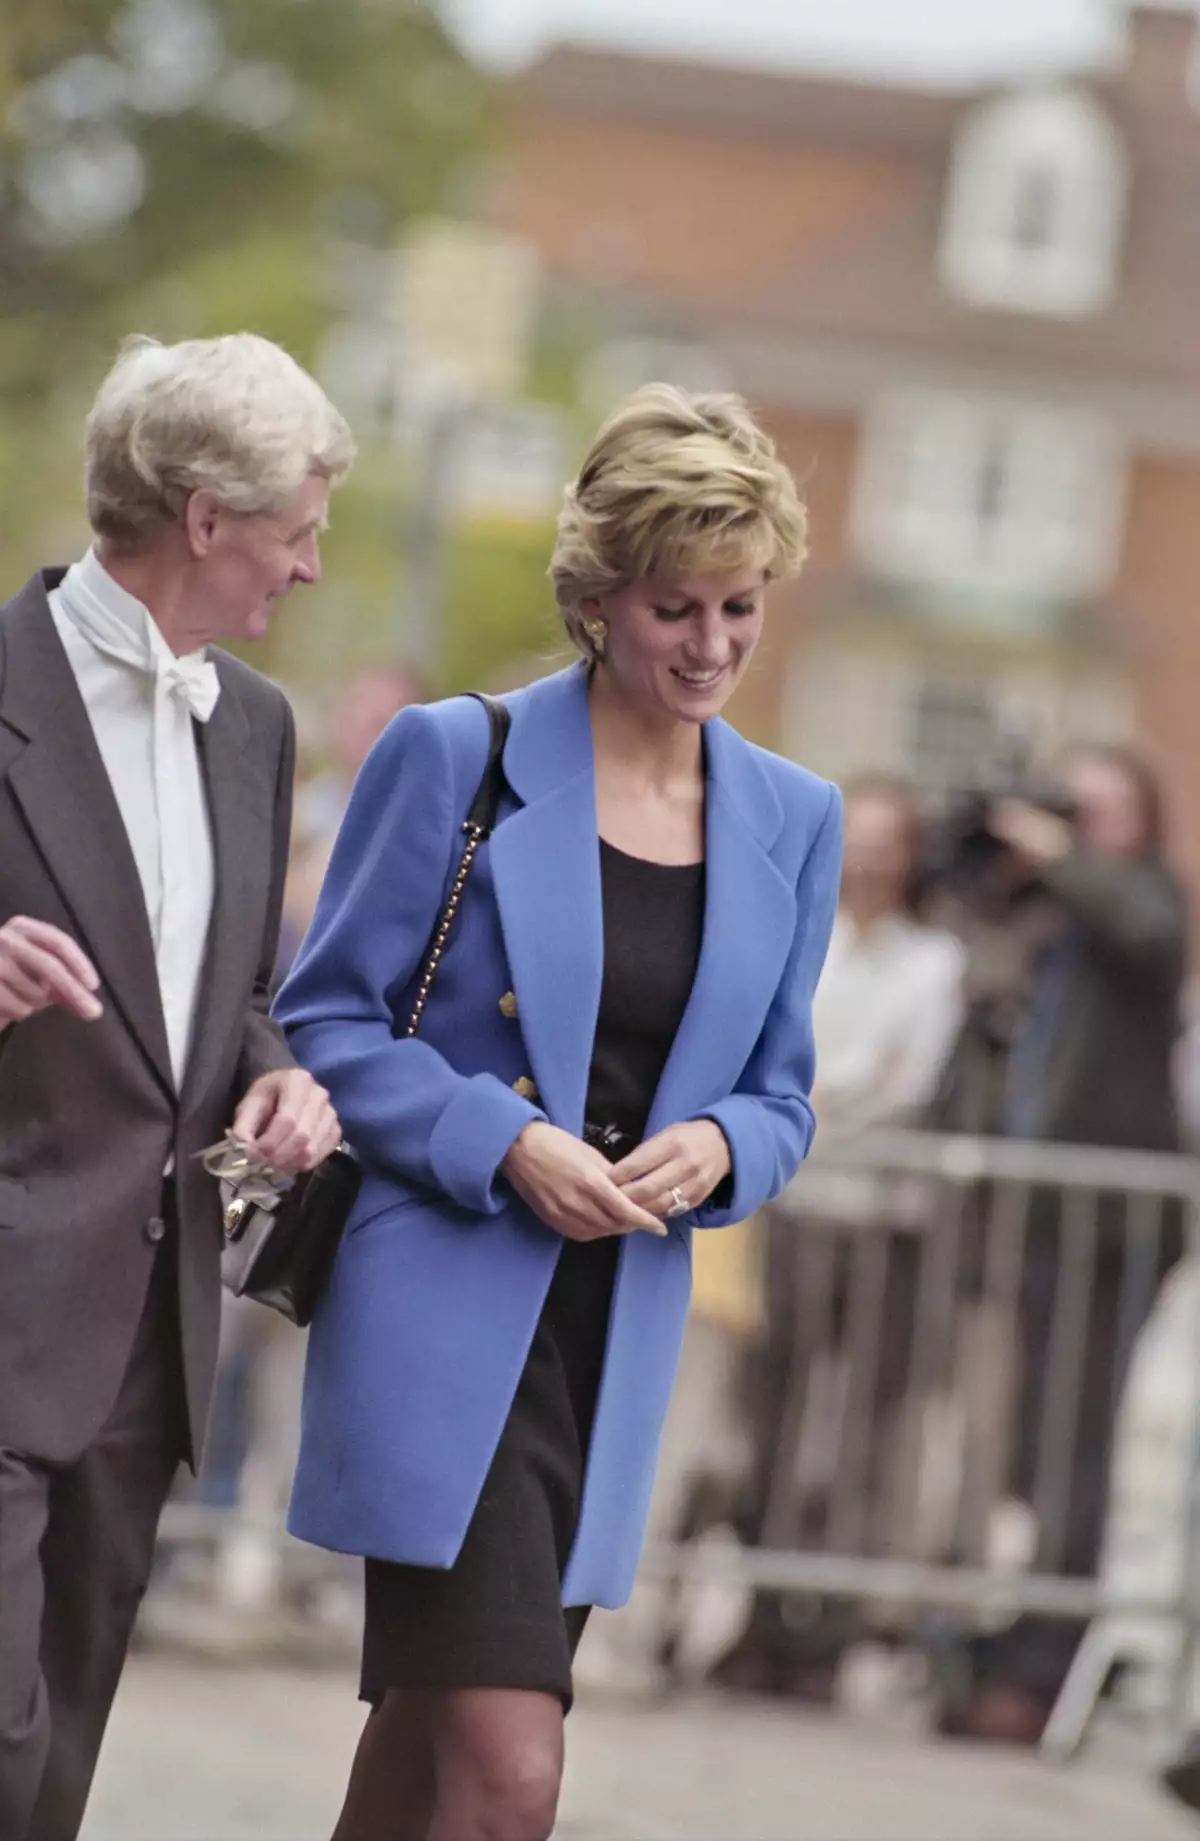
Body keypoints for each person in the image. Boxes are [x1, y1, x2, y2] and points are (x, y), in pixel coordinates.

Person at [274, 383, 843, 1841]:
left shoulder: (793, 816)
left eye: (741, 608)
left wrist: (723, 1145)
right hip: (449, 1310)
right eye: (676, 608)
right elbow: (328, 1016)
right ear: (596, 596)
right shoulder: (455, 756)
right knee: (513, 1775)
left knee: (428, 1751)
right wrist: (499, 1138)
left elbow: (783, 1091)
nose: (712, 645)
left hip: (619, 1333)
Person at [0, 332, 349, 1840]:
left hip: (150, 1342)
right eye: (300, 529)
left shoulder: (256, 727)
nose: (316, 569)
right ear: (206, 519)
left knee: (58, 1769)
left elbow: (231, 1000)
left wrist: (282, 1083)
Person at [929, 746, 1188, 1744]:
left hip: (1112, 1226)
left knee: (1079, 1445)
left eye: (1100, 811)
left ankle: (1045, 1660)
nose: (1077, 826)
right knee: (1029, 1440)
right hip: (1033, 1218)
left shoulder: (1147, 897)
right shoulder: (1047, 911)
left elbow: (1146, 933)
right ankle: (1008, 1635)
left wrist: (1063, 856)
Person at [715, 776, 965, 1699]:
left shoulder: (933, 960)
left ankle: (828, 1630)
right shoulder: (791, 932)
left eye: (886, 837)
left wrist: (801, 1106)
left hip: (876, 1219)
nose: (867, 854)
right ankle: (760, 1611)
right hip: (788, 1206)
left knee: (861, 1425)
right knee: (771, 1417)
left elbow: (900, 1077)